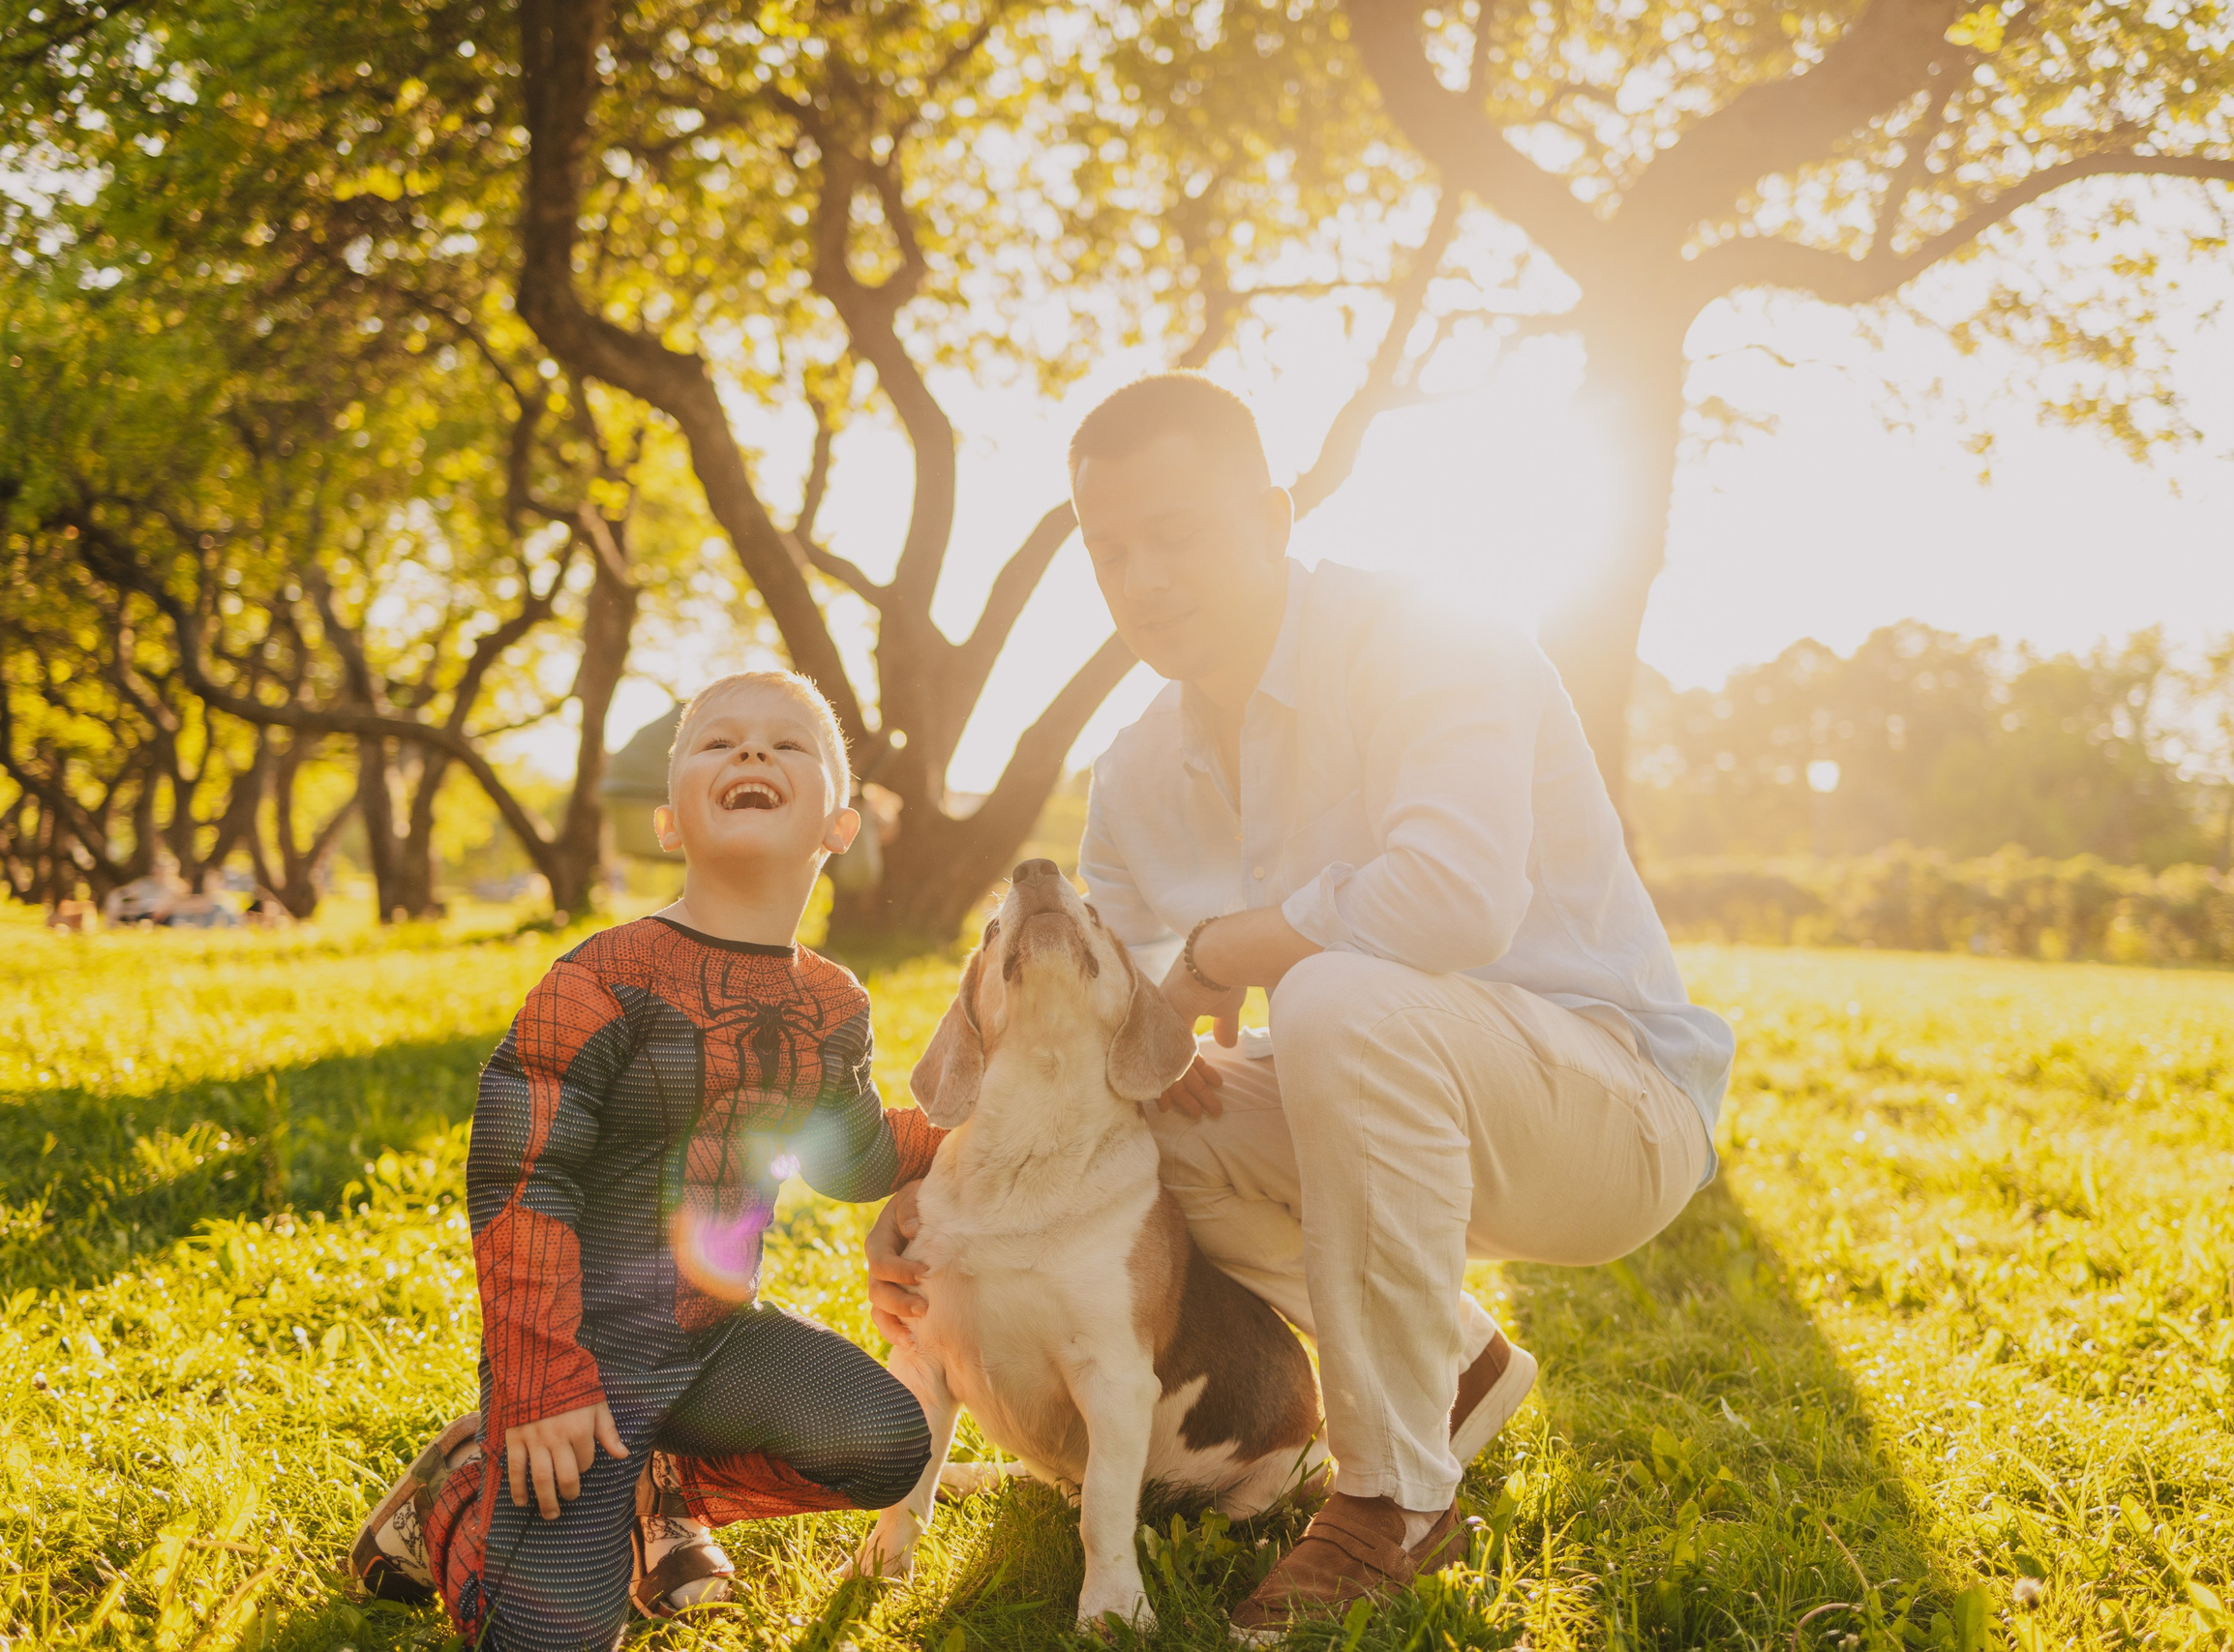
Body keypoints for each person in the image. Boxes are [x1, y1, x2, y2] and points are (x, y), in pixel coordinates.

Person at [866, 373, 1734, 1637]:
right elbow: (1100, 1052)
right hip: (1382, 1089)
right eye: (1110, 552)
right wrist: (934, 1192)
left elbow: (1455, 900)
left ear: (1274, 514)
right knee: (1148, 1123)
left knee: (1333, 997)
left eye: (1176, 532)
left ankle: (1391, 1499)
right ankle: (1458, 1361)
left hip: (1607, 1109)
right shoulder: (1138, 768)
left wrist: (1222, 947)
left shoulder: (1432, 635)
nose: (1143, 576)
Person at [347, 671, 946, 1650]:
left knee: (886, 1442)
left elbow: (851, 1154)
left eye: (787, 744)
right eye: (717, 742)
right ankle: (461, 1494)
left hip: (717, 1341)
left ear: (840, 825)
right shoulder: (601, 976)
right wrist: (539, 1377)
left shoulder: (835, 1001)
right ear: (669, 823)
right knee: (551, 1638)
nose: (751, 752)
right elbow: (519, 1174)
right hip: (581, 1354)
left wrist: (968, 1132)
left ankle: (652, 1482)